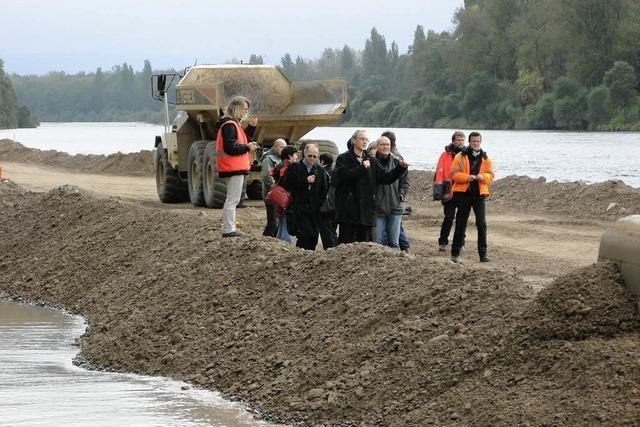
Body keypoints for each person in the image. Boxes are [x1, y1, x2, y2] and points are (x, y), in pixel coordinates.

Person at [333, 130, 408, 244]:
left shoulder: (371, 161)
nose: (365, 142)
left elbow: (386, 178)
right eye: (362, 139)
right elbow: (340, 178)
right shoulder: (343, 158)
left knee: (365, 248)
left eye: (366, 139)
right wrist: (362, 169)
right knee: (346, 246)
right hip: (348, 213)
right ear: (354, 141)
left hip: (366, 213)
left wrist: (400, 168)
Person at [215, 96, 259, 238]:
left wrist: (251, 128)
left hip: (232, 166)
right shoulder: (230, 125)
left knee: (232, 199)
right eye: (244, 109)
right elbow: (231, 147)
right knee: (233, 200)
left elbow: (242, 140)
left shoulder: (232, 124)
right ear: (236, 108)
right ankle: (229, 229)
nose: (245, 112)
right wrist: (247, 147)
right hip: (233, 166)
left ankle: (230, 228)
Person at [450, 131, 494, 263]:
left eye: (478, 141)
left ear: (480, 142)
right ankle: (455, 253)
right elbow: (453, 174)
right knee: (460, 224)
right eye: (473, 141)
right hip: (463, 194)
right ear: (469, 142)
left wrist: (483, 177)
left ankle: (483, 254)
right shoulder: (460, 156)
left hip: (479, 195)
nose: (475, 143)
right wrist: (467, 178)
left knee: (482, 224)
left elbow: (491, 175)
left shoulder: (485, 158)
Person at [282, 144, 328, 250]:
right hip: (299, 207)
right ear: (304, 154)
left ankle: (308, 256)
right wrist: (305, 181)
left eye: (314, 156)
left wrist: (319, 204)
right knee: (305, 234)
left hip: (314, 209)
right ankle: (301, 254)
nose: (311, 159)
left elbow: (324, 189)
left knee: (314, 237)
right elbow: (288, 185)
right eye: (309, 156)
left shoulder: (319, 170)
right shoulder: (294, 167)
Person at [373, 136, 410, 252]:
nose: (385, 147)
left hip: (395, 206)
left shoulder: (397, 162)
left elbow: (405, 183)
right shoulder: (372, 163)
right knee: (377, 243)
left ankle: (396, 267)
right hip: (377, 208)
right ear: (377, 146)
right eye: (383, 144)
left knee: (394, 243)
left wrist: (401, 195)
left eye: (387, 144)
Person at [435, 131, 466, 252]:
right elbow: (439, 172)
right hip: (448, 191)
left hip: (463, 191)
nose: (461, 142)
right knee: (448, 218)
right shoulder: (445, 154)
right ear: (453, 141)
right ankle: (443, 241)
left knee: (461, 219)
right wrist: (438, 191)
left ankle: (460, 242)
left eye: (462, 140)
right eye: (458, 140)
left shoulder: (467, 154)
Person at [261, 138, 287, 237]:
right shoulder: (268, 159)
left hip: (279, 194)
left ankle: (268, 238)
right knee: (273, 220)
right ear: (275, 147)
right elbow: (266, 176)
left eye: (285, 147)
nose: (283, 149)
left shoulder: (281, 158)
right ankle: (269, 239)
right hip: (270, 194)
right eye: (281, 147)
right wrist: (277, 187)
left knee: (276, 220)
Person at [272, 145, 298, 243]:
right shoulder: (290, 167)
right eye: (295, 155)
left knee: (282, 223)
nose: (297, 157)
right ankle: (285, 246)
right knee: (286, 224)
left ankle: (278, 245)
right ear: (290, 156)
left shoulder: (279, 165)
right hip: (287, 199)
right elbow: (291, 184)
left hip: (279, 199)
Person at [318, 153, 337, 249]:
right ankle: (335, 248)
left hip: (325, 206)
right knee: (333, 229)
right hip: (335, 205)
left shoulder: (321, 172)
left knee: (326, 230)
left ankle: (330, 250)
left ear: (322, 161)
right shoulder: (335, 171)